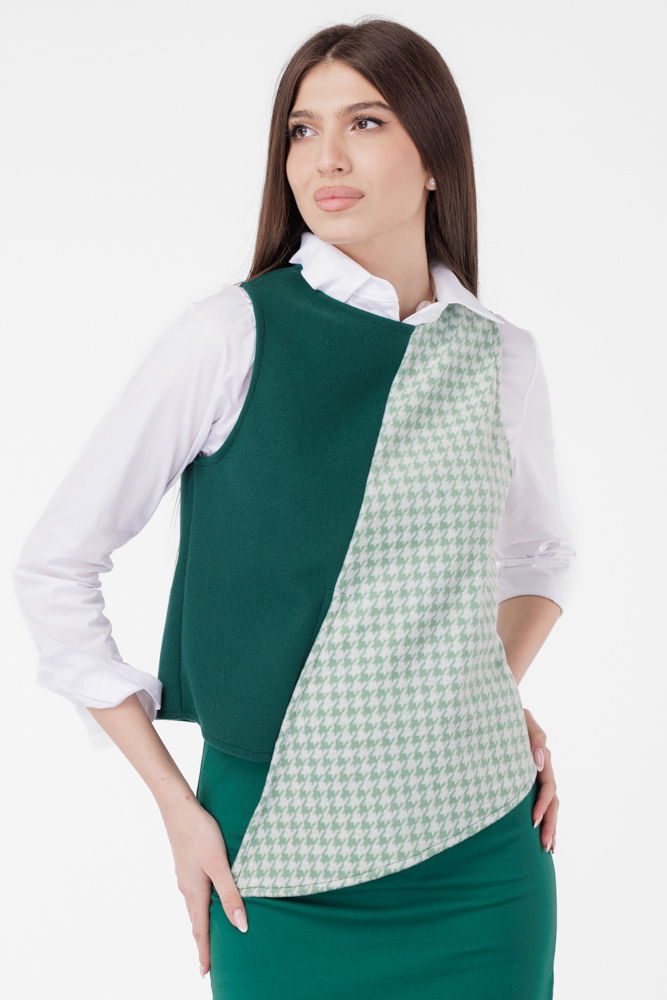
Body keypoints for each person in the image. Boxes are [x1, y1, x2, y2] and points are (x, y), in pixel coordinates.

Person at [12, 17, 576, 1000]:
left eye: (365, 122)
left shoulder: (499, 355)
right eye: (302, 130)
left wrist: (479, 689)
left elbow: (540, 558)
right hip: (269, 849)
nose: (325, 157)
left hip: (479, 860)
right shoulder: (229, 333)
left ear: (435, 157)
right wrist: (175, 805)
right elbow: (55, 565)